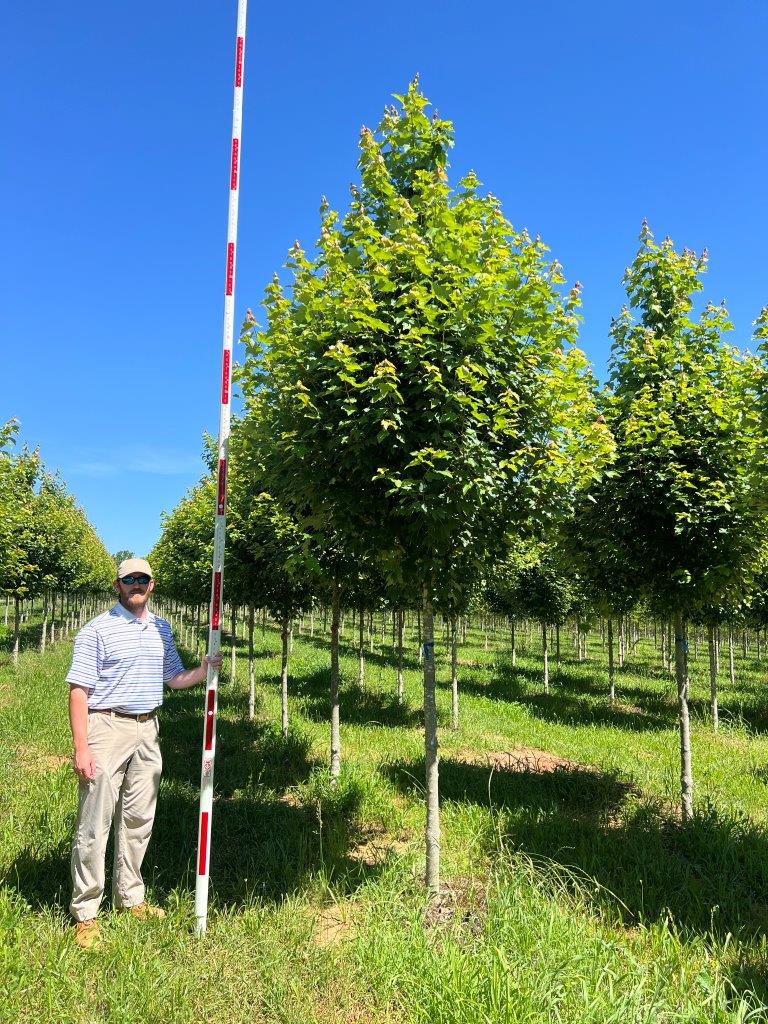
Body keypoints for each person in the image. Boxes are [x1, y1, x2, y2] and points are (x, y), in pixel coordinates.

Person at [66, 557, 222, 949]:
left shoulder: (161, 629)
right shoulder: (97, 630)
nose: (136, 584)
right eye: (128, 579)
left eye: (143, 579)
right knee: (94, 823)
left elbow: (173, 677)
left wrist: (203, 670)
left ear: (152, 585)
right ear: (117, 585)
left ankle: (130, 897)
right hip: (107, 727)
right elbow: (79, 691)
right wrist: (82, 747)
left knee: (138, 818)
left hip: (148, 729)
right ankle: (86, 913)